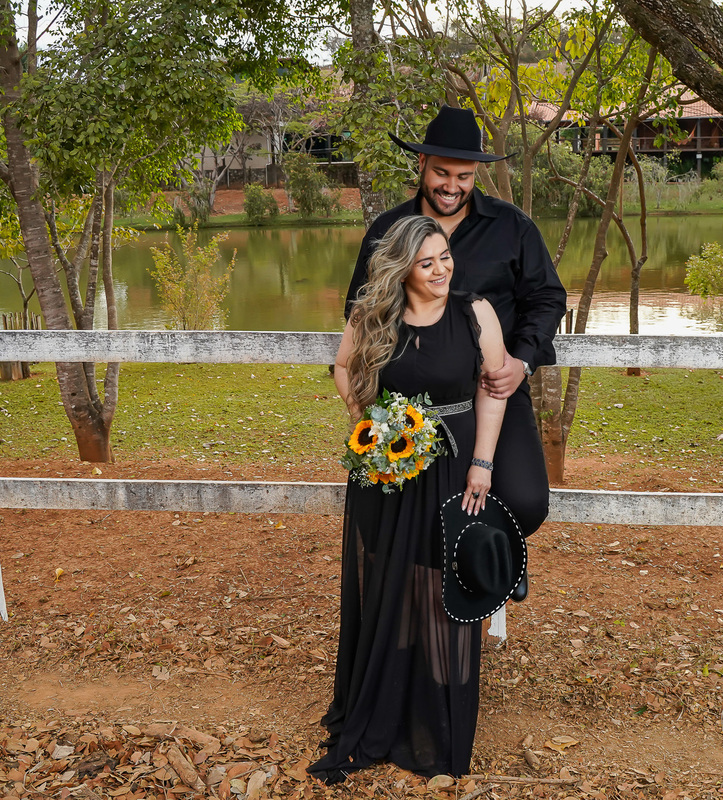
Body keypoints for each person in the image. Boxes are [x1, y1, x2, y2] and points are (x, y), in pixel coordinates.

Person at [311, 216, 511, 783]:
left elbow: (491, 390)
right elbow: (344, 367)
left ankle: (440, 718)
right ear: (403, 269)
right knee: (387, 582)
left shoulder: (477, 313)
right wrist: (369, 427)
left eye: (445, 257)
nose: (442, 269)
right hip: (389, 471)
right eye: (427, 263)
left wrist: (482, 463)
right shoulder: (371, 314)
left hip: (453, 468)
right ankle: (386, 702)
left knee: (442, 585)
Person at [346, 106, 567, 541]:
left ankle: (493, 563)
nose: (452, 186)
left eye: (464, 176)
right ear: (422, 165)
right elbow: (360, 306)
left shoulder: (512, 227)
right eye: (442, 173)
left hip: (493, 389)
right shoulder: (389, 229)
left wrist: (519, 362)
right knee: (404, 509)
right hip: (411, 397)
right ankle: (431, 595)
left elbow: (548, 298)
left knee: (525, 501)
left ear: (476, 174)